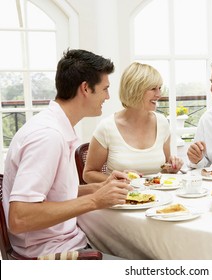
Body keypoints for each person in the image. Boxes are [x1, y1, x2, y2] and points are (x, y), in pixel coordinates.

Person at [2, 49, 131, 259]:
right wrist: (95, 200)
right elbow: (20, 218)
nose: (107, 97)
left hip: (68, 242)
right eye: (105, 89)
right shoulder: (48, 137)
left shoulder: (55, 127)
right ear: (86, 88)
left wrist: (97, 188)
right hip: (52, 254)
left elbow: (53, 193)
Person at [83, 62, 183, 183]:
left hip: (158, 199)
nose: (159, 95)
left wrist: (172, 168)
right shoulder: (107, 127)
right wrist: (114, 179)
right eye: (153, 89)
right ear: (135, 90)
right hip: (120, 199)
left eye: (159, 88)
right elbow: (88, 174)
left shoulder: (162, 123)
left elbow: (164, 169)